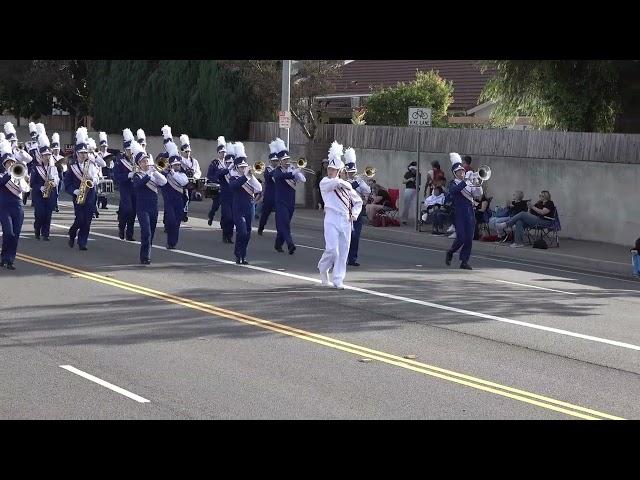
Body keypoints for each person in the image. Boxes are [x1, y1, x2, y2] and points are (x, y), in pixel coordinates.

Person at [317, 141, 363, 289]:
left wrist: (354, 214)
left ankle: (338, 279)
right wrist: (343, 182)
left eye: (334, 169)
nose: (331, 171)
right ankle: (323, 268)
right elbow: (333, 184)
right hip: (331, 218)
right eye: (330, 168)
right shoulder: (325, 182)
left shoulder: (347, 185)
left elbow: (358, 201)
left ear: (339, 170)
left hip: (345, 219)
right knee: (332, 250)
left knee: (343, 252)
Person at [130, 139, 167, 264]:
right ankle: (144, 256)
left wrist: (155, 172)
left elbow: (164, 182)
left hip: (153, 207)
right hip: (142, 207)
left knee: (151, 232)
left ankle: (148, 253)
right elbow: (138, 185)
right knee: (146, 232)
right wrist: (149, 175)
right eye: (143, 161)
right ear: (139, 164)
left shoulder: (153, 173)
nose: (146, 163)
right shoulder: (137, 175)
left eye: (147, 160)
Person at [64, 127, 101, 251]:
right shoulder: (72, 166)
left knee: (87, 221)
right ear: (77, 153)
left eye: (85, 152)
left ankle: (82, 242)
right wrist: (74, 191)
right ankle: (72, 231)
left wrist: (92, 178)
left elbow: (98, 173)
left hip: (90, 195)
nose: (84, 155)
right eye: (81, 153)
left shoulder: (91, 163)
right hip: (78, 195)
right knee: (80, 219)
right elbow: (67, 184)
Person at [445, 153, 483, 270]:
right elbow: (455, 191)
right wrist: (466, 181)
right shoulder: (453, 183)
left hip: (469, 212)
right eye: (459, 171)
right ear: (454, 173)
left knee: (469, 238)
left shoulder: (468, 182)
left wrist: (478, 183)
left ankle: (464, 261)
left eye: (462, 170)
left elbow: (478, 195)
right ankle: (451, 251)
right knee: (461, 237)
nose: (462, 173)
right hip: (458, 213)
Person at [229, 142, 262, 264]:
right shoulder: (234, 177)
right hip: (238, 208)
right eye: (241, 167)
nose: (243, 169)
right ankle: (238, 254)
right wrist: (246, 177)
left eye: (245, 167)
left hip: (250, 207)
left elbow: (259, 189)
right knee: (241, 231)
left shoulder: (249, 178)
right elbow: (234, 186)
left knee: (248, 233)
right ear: (237, 168)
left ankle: (244, 255)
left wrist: (252, 177)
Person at [0, 139, 30, 270]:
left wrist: (21, 179)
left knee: (16, 234)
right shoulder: (2, 175)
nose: (11, 164)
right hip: (4, 207)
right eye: (8, 162)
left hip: (17, 206)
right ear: (4, 164)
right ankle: (4, 256)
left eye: (12, 162)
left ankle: (10, 259)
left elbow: (26, 190)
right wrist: (9, 174)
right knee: (9, 233)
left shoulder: (19, 174)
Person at [272, 137, 305, 254]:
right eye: (284, 160)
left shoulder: (291, 169)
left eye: (288, 159)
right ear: (280, 161)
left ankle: (278, 244)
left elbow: (303, 180)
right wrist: (293, 172)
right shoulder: (277, 171)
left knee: (284, 224)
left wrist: (298, 170)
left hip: (290, 202)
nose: (287, 161)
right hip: (280, 202)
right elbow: (280, 177)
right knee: (285, 223)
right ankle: (290, 244)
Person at [30, 130, 59, 241]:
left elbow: (57, 179)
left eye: (49, 155)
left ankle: (45, 234)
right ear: (41, 156)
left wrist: (53, 181)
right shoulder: (35, 168)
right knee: (40, 214)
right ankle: (37, 229)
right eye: (45, 155)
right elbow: (32, 183)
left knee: (48, 214)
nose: (47, 157)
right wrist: (40, 187)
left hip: (50, 193)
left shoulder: (53, 167)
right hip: (38, 194)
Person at [160, 141, 189, 250]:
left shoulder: (182, 174)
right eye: (175, 165)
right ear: (171, 165)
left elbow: (183, 182)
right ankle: (170, 241)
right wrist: (165, 159)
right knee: (171, 221)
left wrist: (172, 172)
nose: (177, 166)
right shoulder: (165, 173)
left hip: (179, 200)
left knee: (176, 223)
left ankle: (172, 243)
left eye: (178, 165)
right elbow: (158, 164)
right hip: (169, 200)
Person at [345, 148, 371, 267]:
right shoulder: (343, 181)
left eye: (354, 171)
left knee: (356, 236)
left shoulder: (358, 180)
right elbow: (348, 187)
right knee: (346, 236)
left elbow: (368, 190)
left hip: (357, 211)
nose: (352, 173)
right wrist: (356, 182)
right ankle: (343, 257)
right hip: (346, 210)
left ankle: (352, 259)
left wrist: (360, 181)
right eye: (350, 172)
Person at [113, 128, 137, 241]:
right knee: (128, 210)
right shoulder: (119, 160)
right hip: (125, 187)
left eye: (131, 149)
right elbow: (116, 176)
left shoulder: (137, 159)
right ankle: (121, 227)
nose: (130, 152)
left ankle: (130, 234)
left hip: (136, 188)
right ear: (124, 149)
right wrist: (128, 175)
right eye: (128, 150)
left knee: (134, 211)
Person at [211, 141, 236, 243]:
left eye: (231, 163)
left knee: (233, 219)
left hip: (234, 198)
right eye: (228, 162)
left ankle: (229, 236)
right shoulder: (222, 171)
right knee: (227, 217)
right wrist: (228, 168)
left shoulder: (235, 172)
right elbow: (217, 175)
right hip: (225, 198)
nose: (230, 164)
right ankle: (225, 234)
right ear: (225, 163)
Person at [257, 140, 280, 235]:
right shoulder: (267, 169)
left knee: (280, 216)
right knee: (265, 215)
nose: (276, 162)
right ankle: (260, 228)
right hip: (269, 196)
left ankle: (280, 231)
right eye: (274, 161)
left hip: (278, 196)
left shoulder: (280, 169)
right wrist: (277, 169)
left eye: (277, 161)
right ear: (270, 161)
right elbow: (268, 176)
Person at [179, 133, 202, 222]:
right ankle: (183, 214)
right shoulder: (179, 160)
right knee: (185, 197)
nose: (188, 153)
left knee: (188, 199)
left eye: (189, 151)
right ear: (182, 151)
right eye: (186, 151)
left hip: (191, 182)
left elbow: (198, 171)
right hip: (181, 182)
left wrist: (195, 177)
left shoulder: (194, 161)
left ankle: (184, 212)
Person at [206, 136, 226, 226]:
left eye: (224, 152)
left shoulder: (228, 162)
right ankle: (211, 215)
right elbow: (209, 175)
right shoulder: (215, 162)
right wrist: (216, 180)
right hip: (217, 186)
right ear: (218, 153)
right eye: (221, 152)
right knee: (216, 205)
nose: (223, 154)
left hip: (226, 187)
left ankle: (223, 223)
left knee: (225, 206)